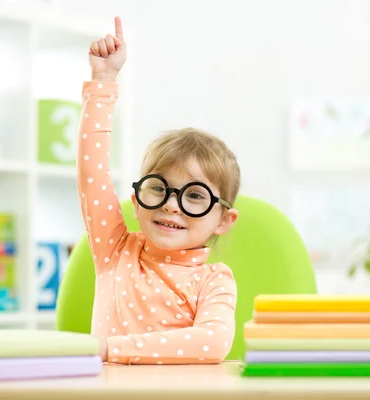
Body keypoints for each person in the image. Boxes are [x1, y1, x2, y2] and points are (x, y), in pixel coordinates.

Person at [77, 16, 241, 365]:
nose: (171, 205)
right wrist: (103, 81)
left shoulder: (214, 280)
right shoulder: (115, 250)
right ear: (136, 201)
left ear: (224, 220)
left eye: (195, 195)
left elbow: (212, 344)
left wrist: (111, 349)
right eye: (159, 189)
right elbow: (92, 168)